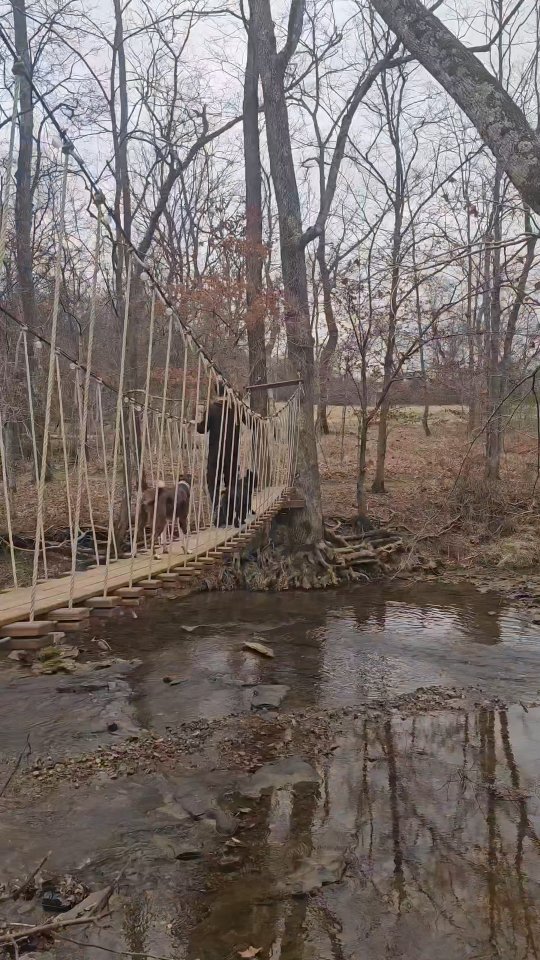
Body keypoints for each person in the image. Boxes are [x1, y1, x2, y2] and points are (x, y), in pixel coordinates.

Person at [196, 383, 244, 516]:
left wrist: (194, 424)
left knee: (212, 481)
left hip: (215, 453)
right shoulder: (236, 409)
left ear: (216, 392)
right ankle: (232, 510)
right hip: (232, 453)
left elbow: (202, 428)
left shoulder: (211, 409)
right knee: (232, 481)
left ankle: (218, 508)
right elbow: (249, 423)